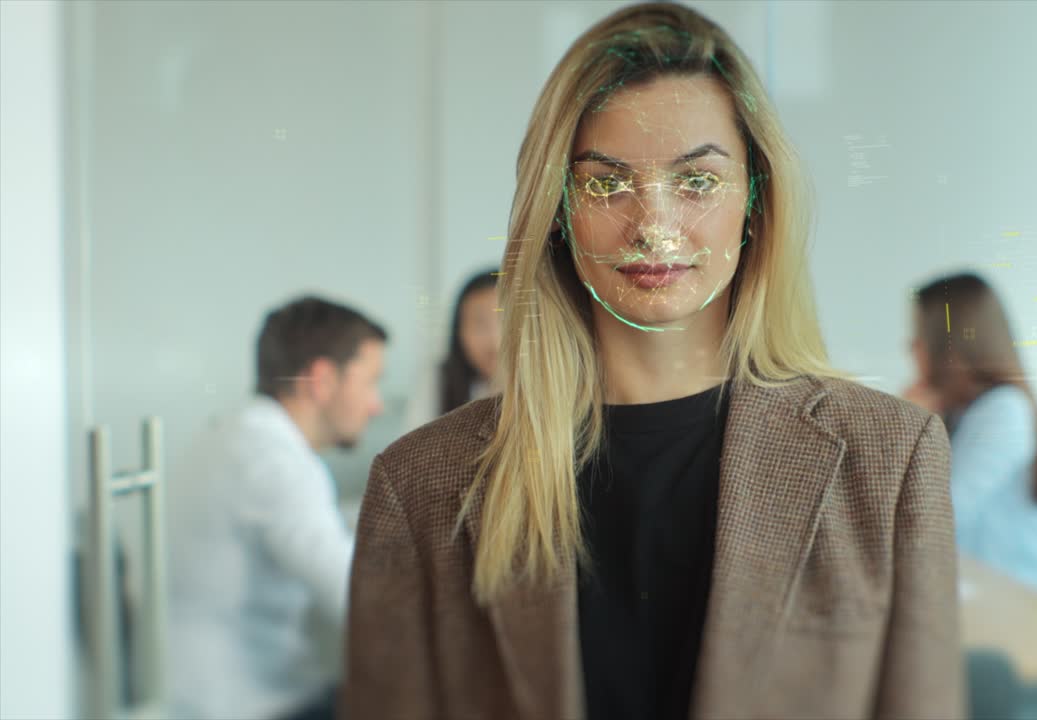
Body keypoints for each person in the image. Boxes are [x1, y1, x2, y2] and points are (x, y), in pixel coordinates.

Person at [344, 5, 963, 719]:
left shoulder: (887, 458)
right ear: (557, 211)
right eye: (606, 183)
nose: (655, 225)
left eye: (697, 181)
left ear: (755, 198)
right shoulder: (420, 488)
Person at [167, 296, 388, 720]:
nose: (376, 404)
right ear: (322, 379)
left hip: (213, 688)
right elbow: (356, 596)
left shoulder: (242, 434)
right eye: (371, 382)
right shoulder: (273, 461)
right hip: (244, 702)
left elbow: (309, 521)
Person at [903, 272, 1037, 595]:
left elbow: (935, 517)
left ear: (947, 348)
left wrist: (904, 425)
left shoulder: (1005, 411)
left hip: (1016, 601)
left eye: (918, 338)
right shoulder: (963, 410)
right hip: (978, 587)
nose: (910, 349)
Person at [403, 268, 500, 431]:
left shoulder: (548, 383)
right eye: (479, 323)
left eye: (505, 320)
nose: (494, 338)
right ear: (458, 332)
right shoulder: (437, 382)